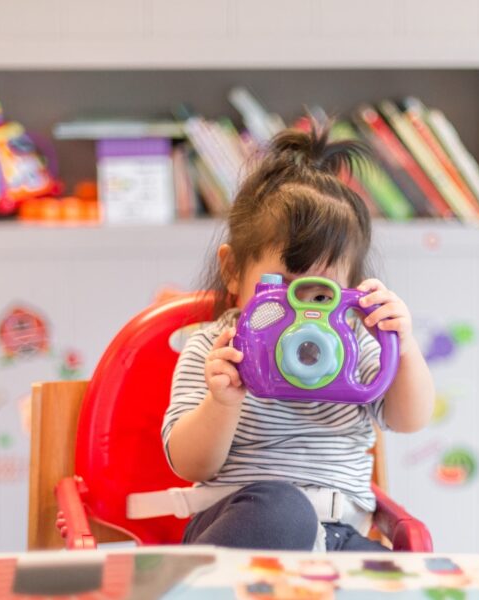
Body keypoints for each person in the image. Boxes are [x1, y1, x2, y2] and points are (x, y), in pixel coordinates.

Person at [161, 122, 435, 551]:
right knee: (283, 510)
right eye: (283, 287)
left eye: (320, 293)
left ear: (350, 290)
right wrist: (222, 402)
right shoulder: (217, 348)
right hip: (247, 525)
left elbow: (409, 418)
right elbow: (188, 462)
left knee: (398, 581)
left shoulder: (354, 344)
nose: (301, 313)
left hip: (340, 535)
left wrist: (402, 344)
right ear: (234, 271)